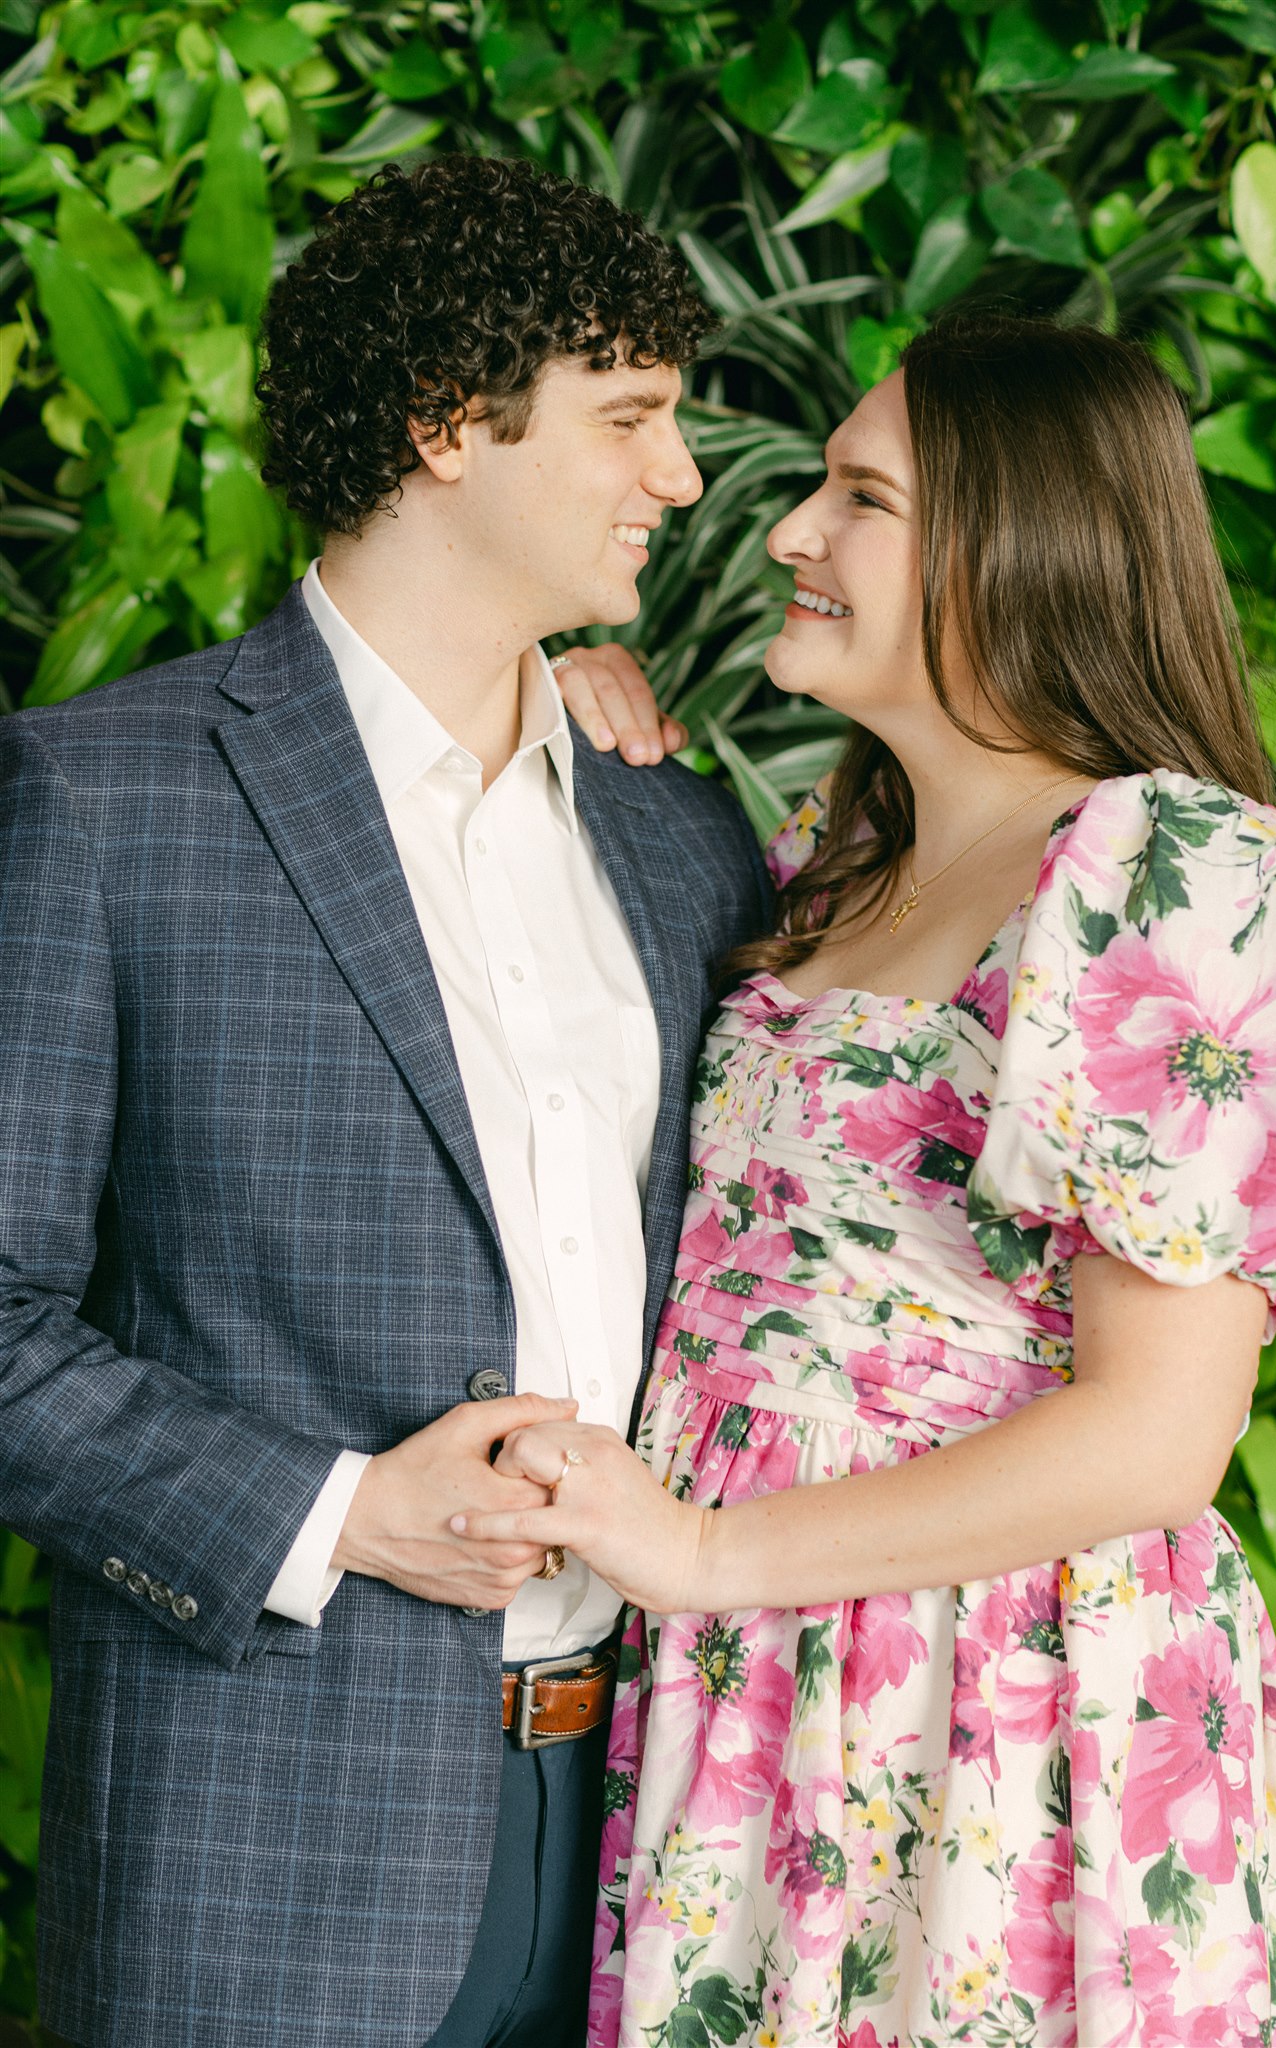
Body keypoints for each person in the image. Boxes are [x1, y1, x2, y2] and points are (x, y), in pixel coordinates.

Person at [463, 317, 1276, 2047]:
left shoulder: (1167, 864)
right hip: (756, 1688)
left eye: (857, 496)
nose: (790, 532)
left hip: (999, 1695)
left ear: (1015, 549)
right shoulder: (829, 855)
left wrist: (709, 1554)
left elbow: (1156, 1432)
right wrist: (544, 733)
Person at [0, 152, 772, 2048]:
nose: (679, 479)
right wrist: (337, 1513)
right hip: (266, 1847)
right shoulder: (103, 803)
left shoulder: (677, 827)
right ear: (448, 422)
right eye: (628, 419)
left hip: (660, 1839)